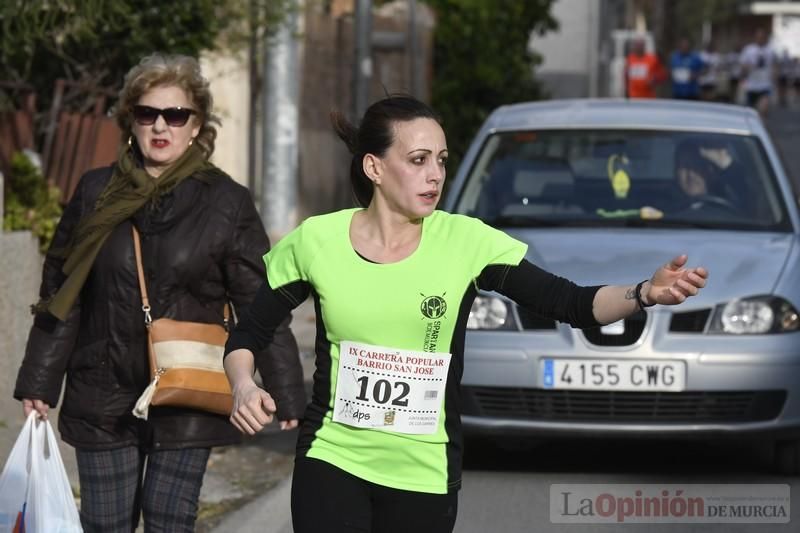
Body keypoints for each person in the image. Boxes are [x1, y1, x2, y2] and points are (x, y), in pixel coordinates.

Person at [222, 95, 709, 533]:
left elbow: (571, 304)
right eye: (418, 161)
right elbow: (247, 334)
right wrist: (244, 384)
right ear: (373, 167)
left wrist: (644, 292)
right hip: (332, 456)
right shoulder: (316, 241)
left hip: (424, 468)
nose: (435, 174)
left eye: (441, 161)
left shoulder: (467, 242)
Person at [13, 53, 306, 532]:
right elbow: (62, 294)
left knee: (170, 519)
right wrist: (39, 382)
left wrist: (287, 390)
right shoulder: (94, 193)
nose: (160, 126)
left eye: (176, 115)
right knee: (105, 523)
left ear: (196, 126)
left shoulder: (226, 202)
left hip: (187, 386)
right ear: (131, 121)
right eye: (147, 113)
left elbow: (259, 303)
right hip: (101, 388)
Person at [739, 28, 777, 115]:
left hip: (765, 84)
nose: (760, 39)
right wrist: (743, 77)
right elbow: (743, 65)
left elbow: (775, 65)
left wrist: (775, 79)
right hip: (751, 85)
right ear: (755, 37)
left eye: (763, 37)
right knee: (750, 112)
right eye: (758, 37)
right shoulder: (748, 49)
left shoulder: (770, 50)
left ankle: (762, 126)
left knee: (763, 110)